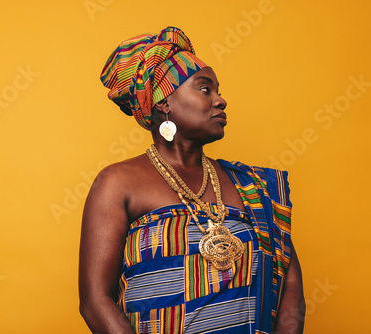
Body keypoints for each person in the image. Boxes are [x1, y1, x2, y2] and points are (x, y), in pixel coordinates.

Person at [79, 26, 304, 334]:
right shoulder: (118, 183)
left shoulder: (253, 185)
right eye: (204, 89)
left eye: (219, 91)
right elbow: (95, 300)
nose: (220, 100)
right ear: (163, 103)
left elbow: (290, 284)